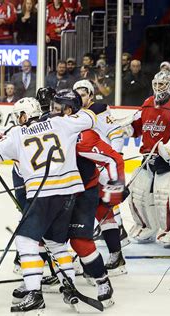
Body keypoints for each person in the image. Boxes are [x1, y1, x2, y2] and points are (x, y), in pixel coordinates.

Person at [0, 97, 97, 313]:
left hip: (43, 194)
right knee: (56, 243)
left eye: (18, 116)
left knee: (25, 240)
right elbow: (90, 118)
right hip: (69, 193)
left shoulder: (17, 134)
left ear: (23, 115)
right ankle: (69, 289)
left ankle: (34, 294)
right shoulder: (61, 122)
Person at [50, 90, 124, 307]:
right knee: (47, 238)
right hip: (59, 192)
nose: (52, 111)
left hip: (83, 193)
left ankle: (102, 280)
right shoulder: (50, 128)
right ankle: (45, 280)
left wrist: (113, 194)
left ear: (70, 111)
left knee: (79, 241)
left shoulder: (83, 136)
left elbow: (113, 160)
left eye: (58, 107)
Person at [73, 80, 130, 264]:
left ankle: (117, 241)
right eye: (77, 94)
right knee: (102, 209)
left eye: (83, 94)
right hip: (86, 169)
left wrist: (114, 156)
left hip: (102, 167)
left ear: (90, 95)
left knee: (106, 208)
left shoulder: (98, 110)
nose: (79, 98)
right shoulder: (76, 114)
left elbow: (116, 133)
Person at [124, 70, 170, 246]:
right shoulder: (147, 103)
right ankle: (147, 227)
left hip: (168, 159)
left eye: (162, 84)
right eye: (156, 84)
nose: (158, 88)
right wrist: (129, 129)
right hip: (148, 158)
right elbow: (139, 127)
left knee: (165, 197)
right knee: (137, 194)